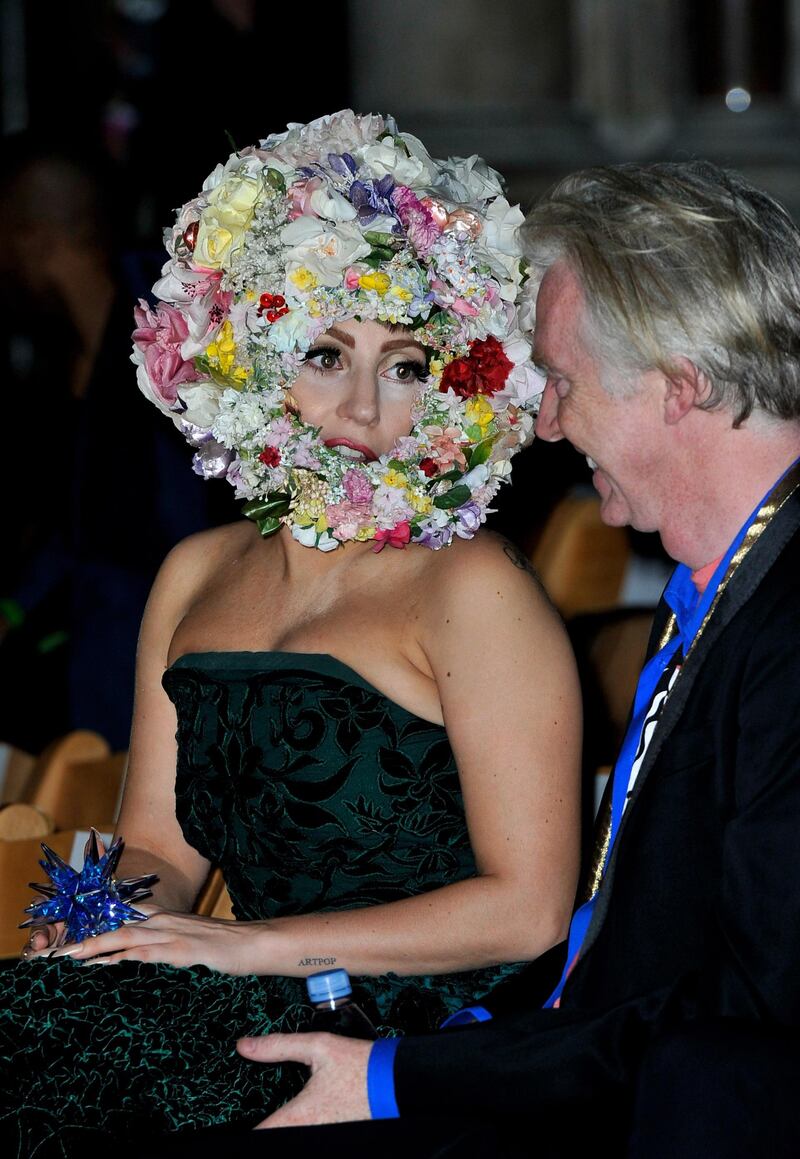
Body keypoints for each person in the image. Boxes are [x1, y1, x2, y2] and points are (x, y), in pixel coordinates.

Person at [0, 111, 580, 1151]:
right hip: (238, 986)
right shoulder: (194, 570)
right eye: (323, 353)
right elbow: (158, 849)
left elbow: (529, 911)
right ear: (252, 360)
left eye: (405, 363)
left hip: (420, 1024)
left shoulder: (473, 586)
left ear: (453, 383)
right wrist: (101, 923)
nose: (362, 405)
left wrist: (249, 947)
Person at [211, 159, 800, 1155]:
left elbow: (745, 1011)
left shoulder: (787, 623)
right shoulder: (717, 580)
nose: (545, 423)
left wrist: (407, 1074)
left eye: (563, 383)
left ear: (678, 386)